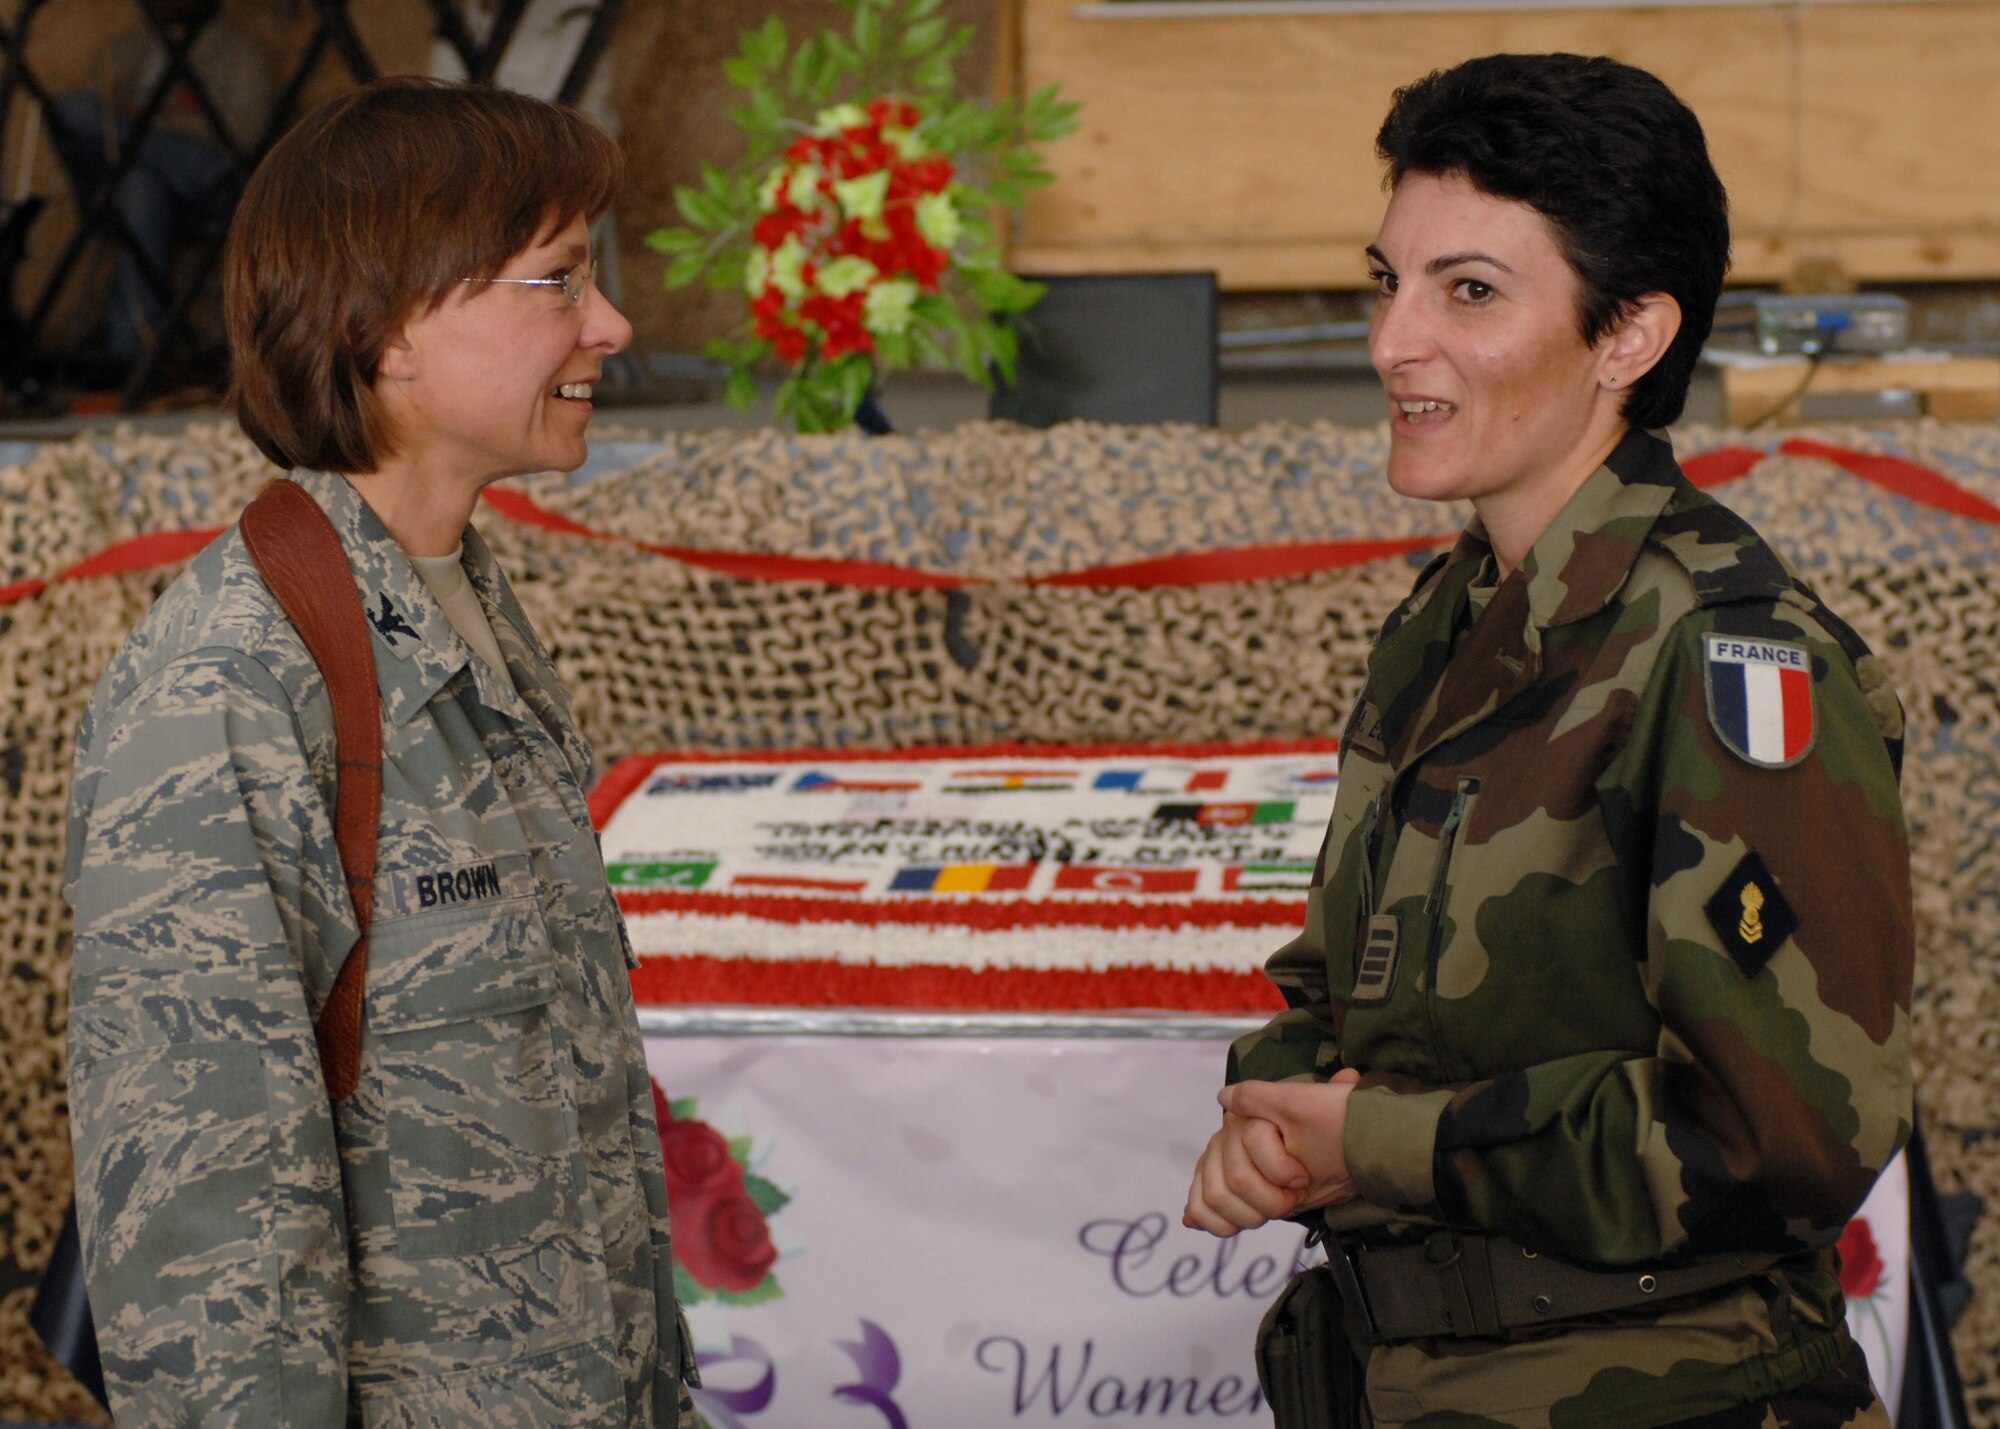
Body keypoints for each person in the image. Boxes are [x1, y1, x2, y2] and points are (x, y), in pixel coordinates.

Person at [1183, 53, 1912, 1429]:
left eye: (1469, 292)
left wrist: (1377, 1143)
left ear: (1627, 333)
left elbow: (1782, 1142)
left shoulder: (1724, 653)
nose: (1397, 343)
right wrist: (1274, 1108)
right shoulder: (1450, 615)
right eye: (1387, 281)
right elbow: (1352, 981)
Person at [65, 77, 697, 1425]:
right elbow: (207, 1246)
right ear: (385, 332)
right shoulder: (228, 684)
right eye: (556, 281)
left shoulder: (458, 599)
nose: (612, 324)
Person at [47, 0, 272, 373]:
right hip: (140, 181)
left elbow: (246, 130)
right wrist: (139, 130)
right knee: (83, 120)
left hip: (200, 201)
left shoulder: (237, 54)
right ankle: (204, 170)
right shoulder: (125, 50)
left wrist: (156, 124)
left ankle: (128, 351)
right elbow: (99, 126)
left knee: (140, 179)